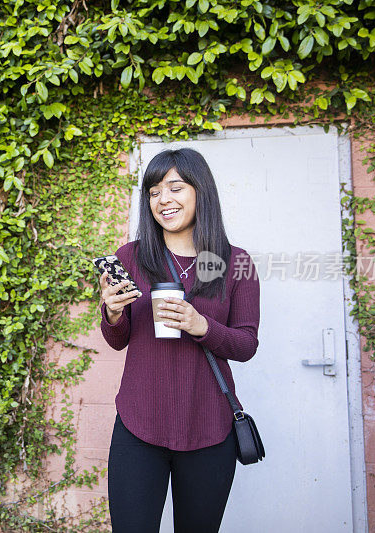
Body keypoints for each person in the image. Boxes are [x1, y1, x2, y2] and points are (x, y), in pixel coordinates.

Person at [99, 147, 261, 533]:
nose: (163, 200)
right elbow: (118, 340)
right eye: (154, 192)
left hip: (209, 428)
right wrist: (113, 312)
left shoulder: (228, 261)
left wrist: (201, 325)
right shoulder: (133, 257)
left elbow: (246, 344)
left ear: (200, 192)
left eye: (175, 187)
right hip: (139, 426)